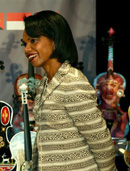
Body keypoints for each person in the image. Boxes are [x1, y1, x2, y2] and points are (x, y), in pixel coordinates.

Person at [21, 10, 117, 171]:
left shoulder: (72, 82)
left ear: (55, 40)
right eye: (25, 43)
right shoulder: (45, 83)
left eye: (33, 41)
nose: (27, 49)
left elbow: (100, 141)